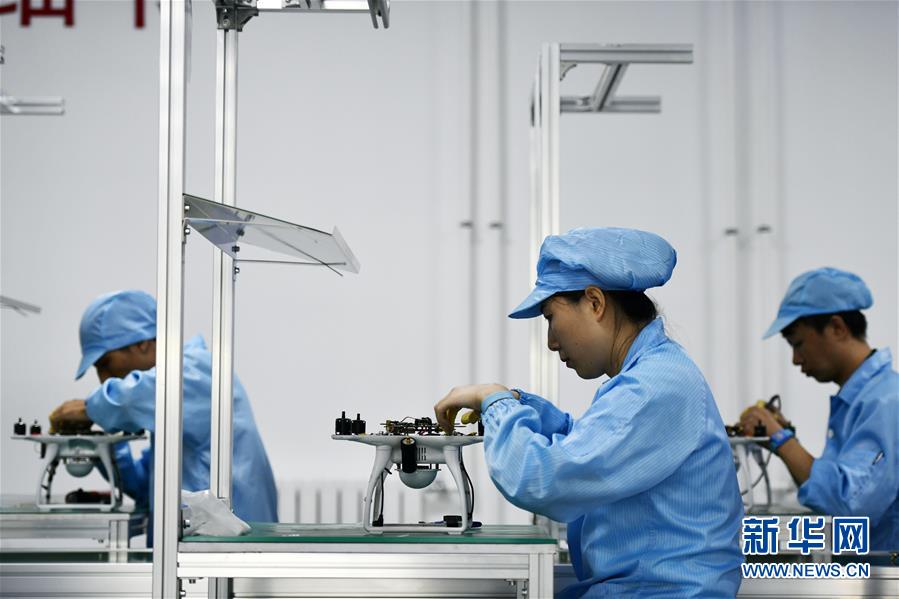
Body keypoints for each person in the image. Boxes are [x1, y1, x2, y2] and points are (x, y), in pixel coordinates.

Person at [434, 228, 743, 598]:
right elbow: (588, 445)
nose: (551, 341)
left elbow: (542, 479)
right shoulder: (650, 375)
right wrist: (521, 405)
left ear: (595, 303)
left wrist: (496, 402)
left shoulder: (655, 386)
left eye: (550, 317)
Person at [49, 290, 278, 532]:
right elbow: (145, 486)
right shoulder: (167, 408)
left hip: (233, 544)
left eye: (105, 364)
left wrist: (87, 408)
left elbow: (126, 399)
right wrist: (104, 445)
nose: (103, 379)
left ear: (142, 343)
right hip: (204, 544)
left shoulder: (197, 371)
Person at [740, 267, 898, 550]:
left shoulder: (886, 402)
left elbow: (851, 508)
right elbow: (828, 497)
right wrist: (784, 441)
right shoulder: (858, 401)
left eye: (798, 344)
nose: (795, 360)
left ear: (837, 328)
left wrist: (782, 440)